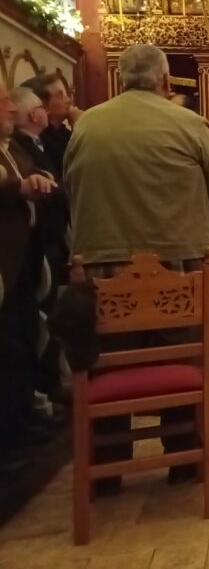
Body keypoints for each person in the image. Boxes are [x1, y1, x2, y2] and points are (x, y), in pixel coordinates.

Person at [65, 44, 209, 488]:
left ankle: (108, 467)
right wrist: (198, 231)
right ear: (164, 80)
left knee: (109, 362)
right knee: (181, 357)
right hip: (179, 268)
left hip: (102, 269)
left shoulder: (88, 125)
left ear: (122, 78)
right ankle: (184, 459)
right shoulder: (186, 123)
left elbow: (72, 189)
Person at [0, 76, 59, 474]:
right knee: (8, 348)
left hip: (24, 259)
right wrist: (20, 185)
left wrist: (41, 177)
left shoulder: (13, 147)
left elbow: (35, 171)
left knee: (24, 338)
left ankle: (23, 419)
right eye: (4, 102)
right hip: (7, 261)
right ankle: (9, 437)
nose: (10, 108)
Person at [21, 72, 81, 180]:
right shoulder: (40, 137)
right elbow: (76, 168)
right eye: (60, 95)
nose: (69, 100)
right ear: (45, 106)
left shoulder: (63, 132)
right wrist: (79, 125)